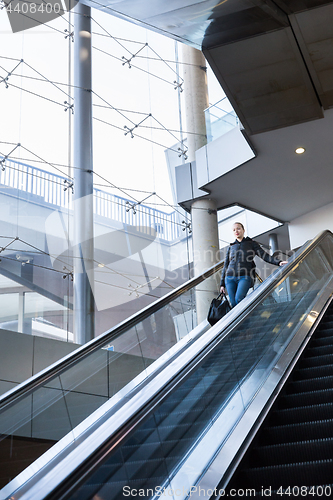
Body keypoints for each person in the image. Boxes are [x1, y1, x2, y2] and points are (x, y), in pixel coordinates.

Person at [220, 222, 288, 308]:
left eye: (238, 228)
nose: (236, 231)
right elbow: (226, 266)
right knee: (233, 304)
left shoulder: (252, 244)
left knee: (239, 299)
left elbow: (265, 256)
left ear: (243, 230)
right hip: (229, 278)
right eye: (234, 230)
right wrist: (222, 284)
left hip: (244, 276)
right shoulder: (231, 247)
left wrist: (278, 262)